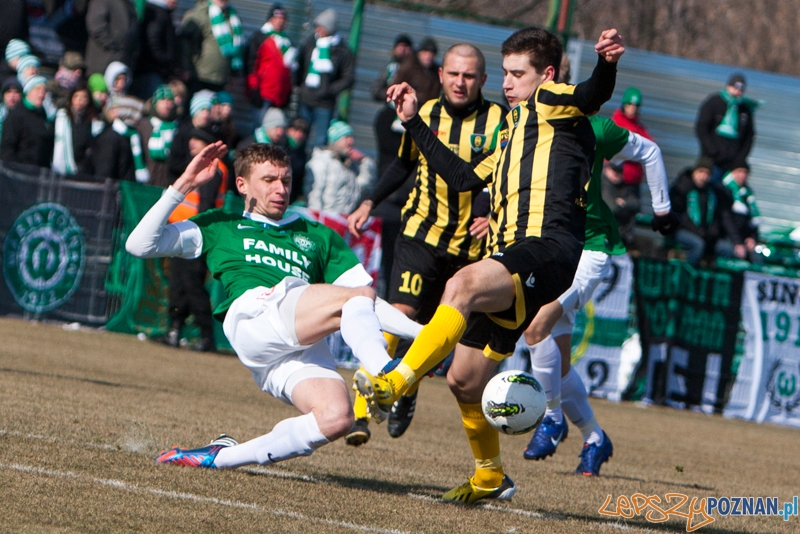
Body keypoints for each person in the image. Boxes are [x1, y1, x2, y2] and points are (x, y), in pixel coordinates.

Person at [354, 27, 625, 504]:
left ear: (545, 75)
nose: (507, 83)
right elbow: (461, 177)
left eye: (517, 74)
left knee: (462, 282)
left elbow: (592, 93)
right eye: (504, 73)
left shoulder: (553, 101)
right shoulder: (511, 132)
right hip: (519, 260)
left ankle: (395, 382)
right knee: (464, 379)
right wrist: (415, 123)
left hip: (548, 247)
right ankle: (489, 476)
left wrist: (606, 64)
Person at [126, 142, 423, 470]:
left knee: (336, 417)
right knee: (355, 297)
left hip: (298, 343)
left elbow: (368, 303)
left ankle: (220, 458)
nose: (280, 189)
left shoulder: (317, 235)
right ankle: (385, 372)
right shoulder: (220, 225)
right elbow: (139, 244)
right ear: (242, 185)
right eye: (269, 180)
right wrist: (183, 184)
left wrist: (424, 335)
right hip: (254, 317)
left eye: (286, 180)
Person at [521, 65, 678, 476]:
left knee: (536, 325)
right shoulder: (520, 125)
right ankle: (595, 437)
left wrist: (661, 209)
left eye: (519, 75)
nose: (510, 85)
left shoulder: (595, 127)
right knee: (559, 360)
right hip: (547, 248)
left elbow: (650, 152)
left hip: (589, 249)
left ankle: (552, 417)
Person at [346, 43, 506, 445]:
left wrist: (489, 212)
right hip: (420, 232)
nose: (460, 82)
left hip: (468, 252)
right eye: (453, 73)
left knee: (434, 332)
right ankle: (363, 412)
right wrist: (370, 200)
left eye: (469, 76)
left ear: (483, 81)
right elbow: (403, 163)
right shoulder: (426, 113)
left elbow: (498, 176)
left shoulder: (500, 120)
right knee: (399, 314)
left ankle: (407, 386)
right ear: (441, 75)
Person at [156, 128, 225, 352]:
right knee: (179, 284)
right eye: (192, 138)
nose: (192, 143)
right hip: (182, 232)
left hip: (195, 234)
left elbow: (206, 203)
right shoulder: (197, 165)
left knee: (192, 285)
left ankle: (206, 336)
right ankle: (174, 330)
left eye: (199, 139)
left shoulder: (212, 169)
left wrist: (197, 232)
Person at [295, 9, 355, 150]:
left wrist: (329, 90)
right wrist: (299, 85)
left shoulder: (342, 50)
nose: (318, 30)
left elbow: (348, 78)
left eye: (321, 27)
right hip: (306, 99)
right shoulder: (310, 43)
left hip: (325, 103)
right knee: (299, 137)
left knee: (321, 140)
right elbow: (300, 64)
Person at [669, 156, 737, 266]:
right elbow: (678, 216)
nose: (703, 176)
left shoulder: (711, 193)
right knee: (697, 245)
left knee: (727, 249)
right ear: (694, 171)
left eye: (707, 173)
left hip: (704, 234)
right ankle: (688, 277)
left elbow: (715, 218)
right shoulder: (682, 188)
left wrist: (711, 233)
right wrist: (698, 232)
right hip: (681, 230)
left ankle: (713, 280)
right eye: (700, 172)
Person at [695, 73, 758, 183]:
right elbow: (702, 128)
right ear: (728, 86)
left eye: (740, 90)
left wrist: (740, 158)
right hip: (711, 159)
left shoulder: (744, 109)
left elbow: (749, 136)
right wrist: (712, 150)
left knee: (727, 193)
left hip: (731, 163)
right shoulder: (714, 102)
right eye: (735, 88)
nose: (737, 92)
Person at [306, 120, 375, 214]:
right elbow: (314, 195)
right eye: (346, 137)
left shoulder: (352, 165)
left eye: (351, 137)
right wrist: (317, 221)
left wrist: (364, 162)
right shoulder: (321, 161)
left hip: (344, 222)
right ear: (336, 140)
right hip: (325, 221)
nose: (351, 141)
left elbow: (364, 188)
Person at [179, 0, 244, 94]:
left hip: (221, 78)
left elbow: (237, 48)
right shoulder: (200, 14)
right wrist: (185, 67)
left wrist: (235, 73)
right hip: (199, 76)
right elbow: (185, 43)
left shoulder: (233, 17)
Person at [246, 3, 295, 123]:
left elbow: (288, 70)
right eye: (276, 18)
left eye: (283, 19)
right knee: (260, 127)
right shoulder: (260, 37)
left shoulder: (287, 42)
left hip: (279, 96)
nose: (279, 21)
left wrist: (288, 93)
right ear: (270, 19)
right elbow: (251, 64)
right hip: (263, 93)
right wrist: (253, 88)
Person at [0, 75, 53, 168]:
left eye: (44, 90)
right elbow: (7, 148)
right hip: (21, 173)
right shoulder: (16, 115)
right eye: (37, 89)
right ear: (28, 91)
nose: (41, 94)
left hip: (39, 172)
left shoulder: (43, 114)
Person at [610, 87, 653, 201]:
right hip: (618, 181)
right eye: (630, 105)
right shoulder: (616, 124)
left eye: (636, 106)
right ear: (624, 105)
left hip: (633, 181)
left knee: (633, 210)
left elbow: (651, 148)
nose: (632, 109)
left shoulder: (639, 128)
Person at [133, 0, 179, 100]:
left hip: (154, 69)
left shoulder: (160, 13)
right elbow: (153, 39)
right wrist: (165, 60)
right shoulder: (158, 13)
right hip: (153, 70)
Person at [52, 82, 100, 176]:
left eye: (83, 97)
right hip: (61, 171)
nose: (80, 100)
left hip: (83, 172)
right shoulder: (61, 119)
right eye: (76, 96)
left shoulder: (94, 123)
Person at [93, 95, 145, 182]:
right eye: (112, 109)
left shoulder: (132, 135)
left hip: (126, 186)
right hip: (114, 188)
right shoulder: (110, 136)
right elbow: (105, 169)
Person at [84, 0, 139, 77]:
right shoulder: (102, 1)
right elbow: (96, 25)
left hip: (122, 65)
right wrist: (112, 45)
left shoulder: (130, 4)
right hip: (102, 65)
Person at [137, 84, 178, 187]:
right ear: (155, 103)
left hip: (167, 184)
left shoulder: (176, 128)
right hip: (145, 182)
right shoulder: (143, 125)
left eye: (170, 100)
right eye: (163, 100)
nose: (167, 104)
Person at [169, 90, 215, 181]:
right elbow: (173, 162)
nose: (205, 115)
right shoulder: (182, 132)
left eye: (208, 111)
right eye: (202, 110)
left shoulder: (211, 134)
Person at [720, 164, 761, 263]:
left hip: (741, 239)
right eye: (739, 171)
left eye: (745, 172)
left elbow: (752, 220)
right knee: (731, 252)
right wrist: (737, 242)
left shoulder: (747, 194)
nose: (742, 175)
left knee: (757, 258)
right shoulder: (725, 191)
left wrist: (752, 238)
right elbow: (726, 221)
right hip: (725, 237)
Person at [600, 162, 640, 248]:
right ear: (606, 170)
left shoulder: (625, 186)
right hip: (603, 234)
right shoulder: (602, 182)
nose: (617, 176)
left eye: (620, 173)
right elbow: (612, 208)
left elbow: (636, 204)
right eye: (614, 172)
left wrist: (623, 203)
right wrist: (623, 206)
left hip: (622, 235)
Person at [393, 37, 441, 104]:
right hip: (408, 106)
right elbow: (396, 85)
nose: (428, 56)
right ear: (419, 53)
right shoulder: (409, 66)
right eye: (425, 52)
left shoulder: (437, 72)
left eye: (432, 54)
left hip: (427, 109)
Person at [371, 34, 413, 102]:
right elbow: (376, 90)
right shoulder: (388, 68)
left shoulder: (415, 70)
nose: (403, 49)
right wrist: (391, 94)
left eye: (406, 46)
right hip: (390, 105)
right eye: (400, 46)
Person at [285, 117, 308, 204]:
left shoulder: (302, 155)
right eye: (295, 130)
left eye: (302, 132)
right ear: (288, 130)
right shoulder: (279, 148)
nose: (299, 135)